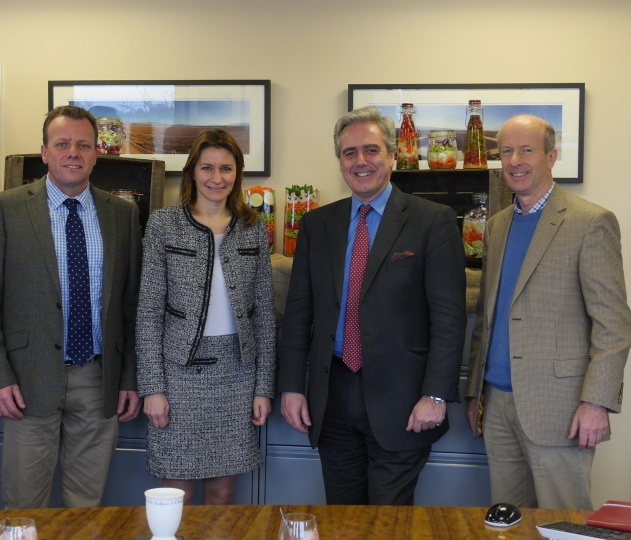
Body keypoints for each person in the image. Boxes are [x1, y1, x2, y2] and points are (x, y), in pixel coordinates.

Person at [278, 106, 466, 505]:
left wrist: (435, 395)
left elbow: (448, 319)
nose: (360, 161)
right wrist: (293, 386)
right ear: (340, 162)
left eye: (371, 150)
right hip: (332, 396)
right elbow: (299, 315)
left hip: (404, 398)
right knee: (341, 521)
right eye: (349, 153)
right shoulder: (317, 225)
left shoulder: (433, 221)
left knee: (388, 523)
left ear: (393, 155)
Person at [0, 105, 142, 508]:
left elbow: (132, 307)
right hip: (27, 381)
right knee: (23, 507)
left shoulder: (122, 214)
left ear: (97, 153)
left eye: (83, 145)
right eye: (62, 144)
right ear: (44, 152)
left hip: (99, 378)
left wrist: (130, 377)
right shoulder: (7, 208)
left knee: (86, 508)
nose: (73, 153)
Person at [465, 115, 631, 510]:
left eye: (527, 150)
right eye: (506, 151)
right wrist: (475, 391)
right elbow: (488, 320)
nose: (514, 160)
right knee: (505, 524)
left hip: (561, 408)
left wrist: (597, 402)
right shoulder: (498, 225)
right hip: (498, 406)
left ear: (551, 155)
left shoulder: (590, 222)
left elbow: (614, 326)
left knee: (564, 526)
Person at [137, 129, 276, 505]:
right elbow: (148, 310)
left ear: (238, 174)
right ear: (192, 173)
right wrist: (152, 389)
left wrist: (263, 388)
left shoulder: (252, 228)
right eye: (207, 168)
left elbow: (264, 314)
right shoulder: (164, 224)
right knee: (174, 492)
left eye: (226, 168)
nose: (217, 178)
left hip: (236, 375)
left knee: (222, 493)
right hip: (177, 377)